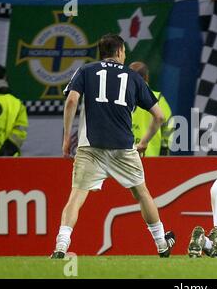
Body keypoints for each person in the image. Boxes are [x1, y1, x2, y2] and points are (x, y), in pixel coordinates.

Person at [51, 34, 175, 259]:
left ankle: (61, 246)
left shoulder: (86, 71)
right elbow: (159, 116)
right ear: (119, 51)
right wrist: (144, 142)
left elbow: (71, 100)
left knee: (76, 197)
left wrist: (67, 137)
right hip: (123, 147)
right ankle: (161, 244)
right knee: (142, 194)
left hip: (90, 147)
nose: (125, 54)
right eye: (125, 51)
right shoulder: (133, 76)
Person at [129, 61, 173, 156]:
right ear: (147, 77)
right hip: (151, 157)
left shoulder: (121, 99)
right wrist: (165, 148)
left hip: (125, 158)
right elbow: (169, 126)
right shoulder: (158, 99)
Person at [0, 64, 28, 156]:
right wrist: (5, 151)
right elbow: (19, 132)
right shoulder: (16, 104)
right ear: (5, 78)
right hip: (7, 161)